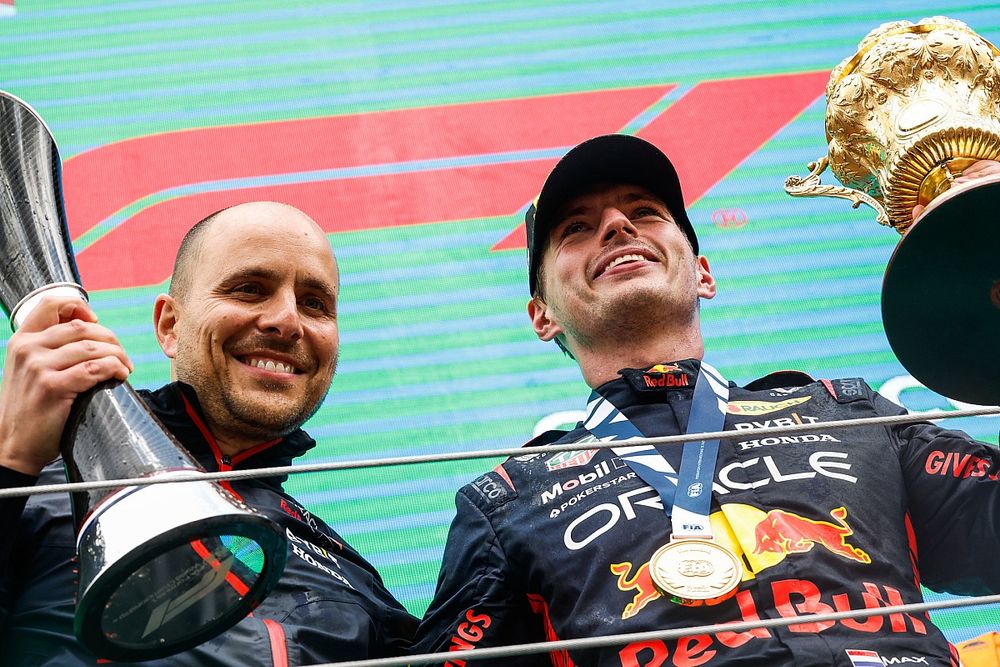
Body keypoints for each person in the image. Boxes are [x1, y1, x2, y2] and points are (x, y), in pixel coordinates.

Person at [413, 134, 1000, 666]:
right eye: (575, 229)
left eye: (645, 211)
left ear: (703, 273)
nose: (618, 225)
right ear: (542, 315)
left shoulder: (848, 414)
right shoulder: (512, 500)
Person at [0, 202, 417, 665]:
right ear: (170, 325)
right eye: (249, 289)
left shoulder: (354, 578)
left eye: (315, 303)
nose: (287, 321)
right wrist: (10, 461)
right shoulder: (31, 486)